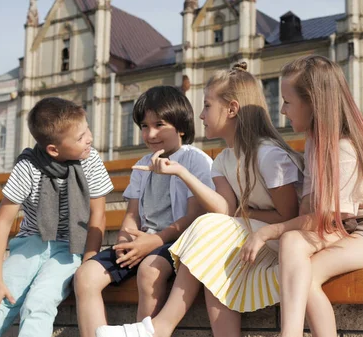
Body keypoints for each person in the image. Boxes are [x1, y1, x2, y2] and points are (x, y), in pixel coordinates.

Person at [96, 62, 304, 337]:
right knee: (213, 263)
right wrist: (182, 172)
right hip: (256, 239)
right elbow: (226, 210)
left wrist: (245, 213)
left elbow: (289, 217)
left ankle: (159, 328)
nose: (201, 115)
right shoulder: (223, 160)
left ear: (231, 109)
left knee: (209, 230)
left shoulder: (269, 156)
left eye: (207, 106)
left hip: (287, 242)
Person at [245, 54, 363, 337]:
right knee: (292, 244)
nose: (283, 111)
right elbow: (309, 207)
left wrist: (269, 231)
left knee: (306, 271)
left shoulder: (343, 147)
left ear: (313, 102)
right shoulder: (314, 140)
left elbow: (328, 215)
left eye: (287, 102)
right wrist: (286, 236)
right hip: (346, 225)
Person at [0, 97, 113, 337]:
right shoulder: (28, 166)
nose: (89, 139)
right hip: (31, 242)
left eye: (87, 130)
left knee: (38, 303)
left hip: (71, 246)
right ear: (54, 149)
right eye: (80, 137)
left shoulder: (90, 159)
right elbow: (2, 222)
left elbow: (98, 215)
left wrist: (89, 260)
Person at [74, 86, 214, 337]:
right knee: (85, 276)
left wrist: (153, 242)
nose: (150, 134)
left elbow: (195, 216)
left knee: (150, 270)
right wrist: (126, 240)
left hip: (175, 243)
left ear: (181, 126)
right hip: (143, 240)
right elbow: (132, 214)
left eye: (159, 124)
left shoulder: (195, 160)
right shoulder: (141, 164)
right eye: (144, 126)